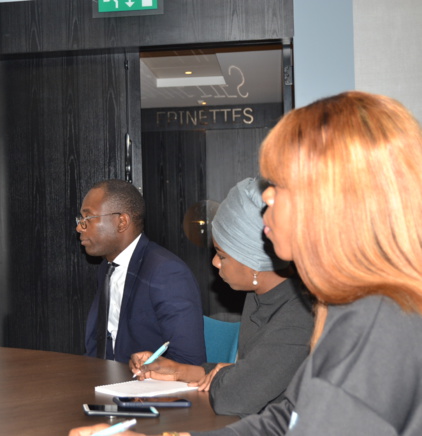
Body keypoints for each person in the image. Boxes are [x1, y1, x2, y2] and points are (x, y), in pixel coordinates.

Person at [70, 92, 422, 436]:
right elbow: (282, 421)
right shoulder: (348, 308)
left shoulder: (381, 324)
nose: (266, 196)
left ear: (339, 200)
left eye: (280, 184)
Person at [129, 177, 314, 417]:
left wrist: (235, 373)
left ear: (253, 259)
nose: (215, 263)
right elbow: (252, 374)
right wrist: (180, 371)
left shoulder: (301, 313)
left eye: (222, 255)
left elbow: (235, 398)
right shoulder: (258, 294)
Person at [78, 179, 205, 365]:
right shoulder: (107, 267)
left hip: (147, 388)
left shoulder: (166, 272)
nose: (79, 227)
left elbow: (189, 360)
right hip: (105, 378)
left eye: (87, 218)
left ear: (121, 222)